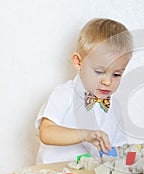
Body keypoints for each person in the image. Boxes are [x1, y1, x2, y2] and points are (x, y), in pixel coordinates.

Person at [35, 18, 133, 164]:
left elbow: (119, 148)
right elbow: (46, 133)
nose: (107, 82)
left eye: (116, 74)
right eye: (99, 71)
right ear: (78, 62)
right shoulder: (64, 94)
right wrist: (84, 135)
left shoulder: (115, 106)